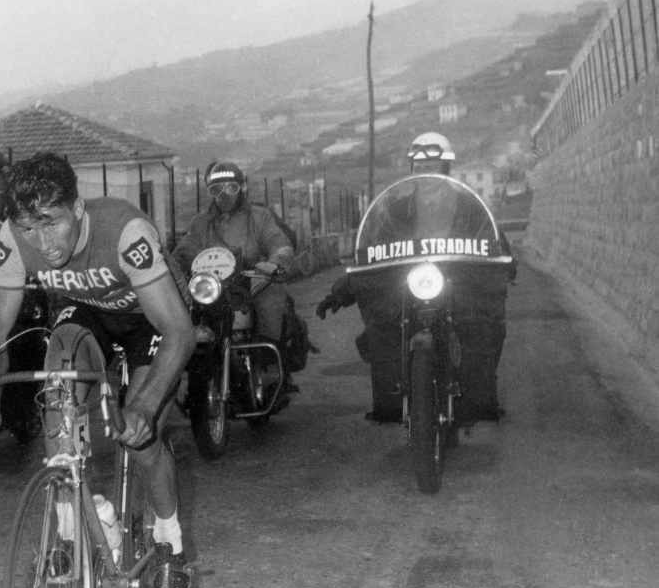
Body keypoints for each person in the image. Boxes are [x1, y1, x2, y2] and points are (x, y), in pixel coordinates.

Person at [0, 151, 196, 588]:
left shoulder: (124, 231)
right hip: (87, 311)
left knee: (139, 440)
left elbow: (179, 332)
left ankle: (172, 543)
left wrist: (145, 407)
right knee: (60, 369)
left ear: (77, 208)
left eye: (51, 223)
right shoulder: (14, 239)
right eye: (29, 228)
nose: (43, 243)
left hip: (149, 316)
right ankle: (81, 519)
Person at [316, 131, 514, 423]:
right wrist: (342, 290)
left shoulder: (469, 206)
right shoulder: (395, 210)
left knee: (483, 326)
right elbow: (373, 251)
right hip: (408, 284)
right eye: (420, 168)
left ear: (445, 169)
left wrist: (504, 261)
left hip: (455, 281)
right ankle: (394, 399)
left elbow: (492, 237)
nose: (426, 173)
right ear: (412, 170)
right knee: (382, 329)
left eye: (433, 167)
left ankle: (477, 397)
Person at [172, 161, 304, 394]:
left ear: (241, 187)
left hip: (251, 281)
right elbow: (185, 250)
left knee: (271, 300)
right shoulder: (201, 223)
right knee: (186, 312)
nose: (223, 195)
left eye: (230, 187)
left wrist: (275, 262)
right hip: (214, 288)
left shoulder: (259, 217)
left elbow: (278, 241)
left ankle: (268, 362)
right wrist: (171, 267)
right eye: (216, 190)